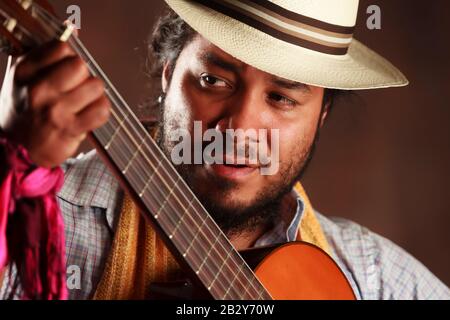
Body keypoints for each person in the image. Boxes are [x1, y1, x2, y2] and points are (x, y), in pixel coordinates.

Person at [0, 0, 449, 300]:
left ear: (323, 114)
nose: (239, 127)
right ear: (169, 73)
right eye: (214, 81)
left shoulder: (369, 278)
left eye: (282, 98)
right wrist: (10, 161)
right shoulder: (43, 220)